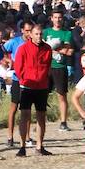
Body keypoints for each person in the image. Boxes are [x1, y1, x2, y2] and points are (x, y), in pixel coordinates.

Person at [12, 23, 53, 156]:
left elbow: (47, 66)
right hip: (27, 86)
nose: (39, 36)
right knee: (25, 116)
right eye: (36, 34)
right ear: (30, 35)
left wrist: (45, 80)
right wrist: (24, 79)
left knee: (41, 116)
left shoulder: (47, 49)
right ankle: (22, 146)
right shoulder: (23, 48)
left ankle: (39, 146)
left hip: (42, 86)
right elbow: (18, 67)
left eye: (41, 34)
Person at [42, 10, 75, 132]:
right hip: (46, 67)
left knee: (61, 95)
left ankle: (63, 122)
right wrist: (57, 49)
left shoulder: (67, 33)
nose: (57, 20)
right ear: (51, 18)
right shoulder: (46, 32)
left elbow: (68, 51)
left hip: (60, 67)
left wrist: (53, 49)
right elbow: (41, 48)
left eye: (60, 17)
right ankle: (41, 121)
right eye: (55, 17)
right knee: (42, 95)